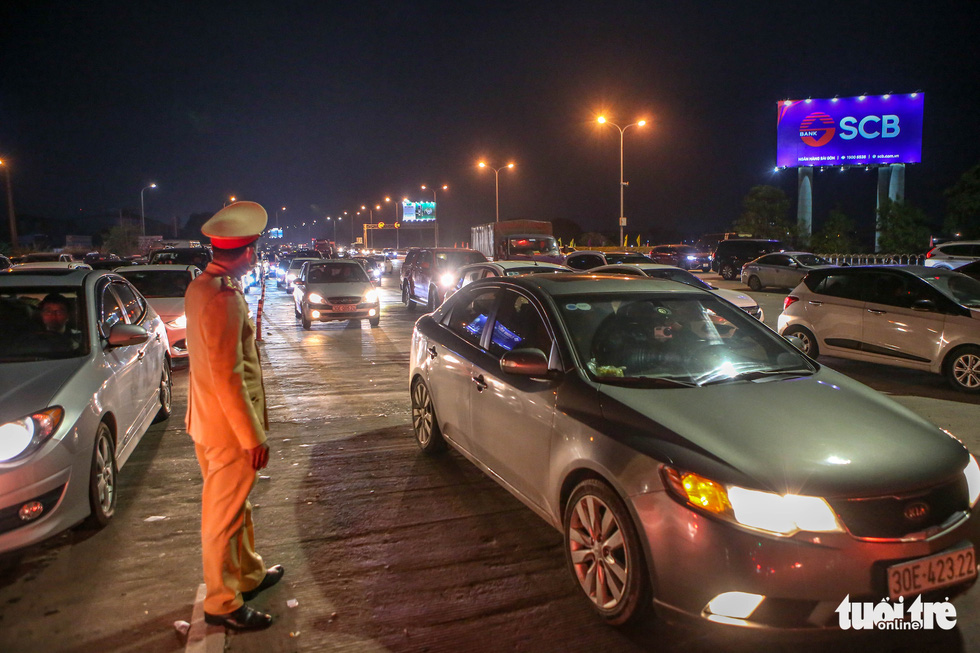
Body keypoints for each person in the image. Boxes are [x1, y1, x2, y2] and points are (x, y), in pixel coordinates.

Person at [184, 201, 283, 631]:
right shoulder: (222, 299)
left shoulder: (200, 288)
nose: (257, 254)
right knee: (222, 518)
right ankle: (222, 603)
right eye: (256, 248)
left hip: (207, 420)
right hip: (228, 429)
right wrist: (253, 437)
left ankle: (247, 575)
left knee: (235, 509)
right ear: (246, 252)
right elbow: (229, 378)